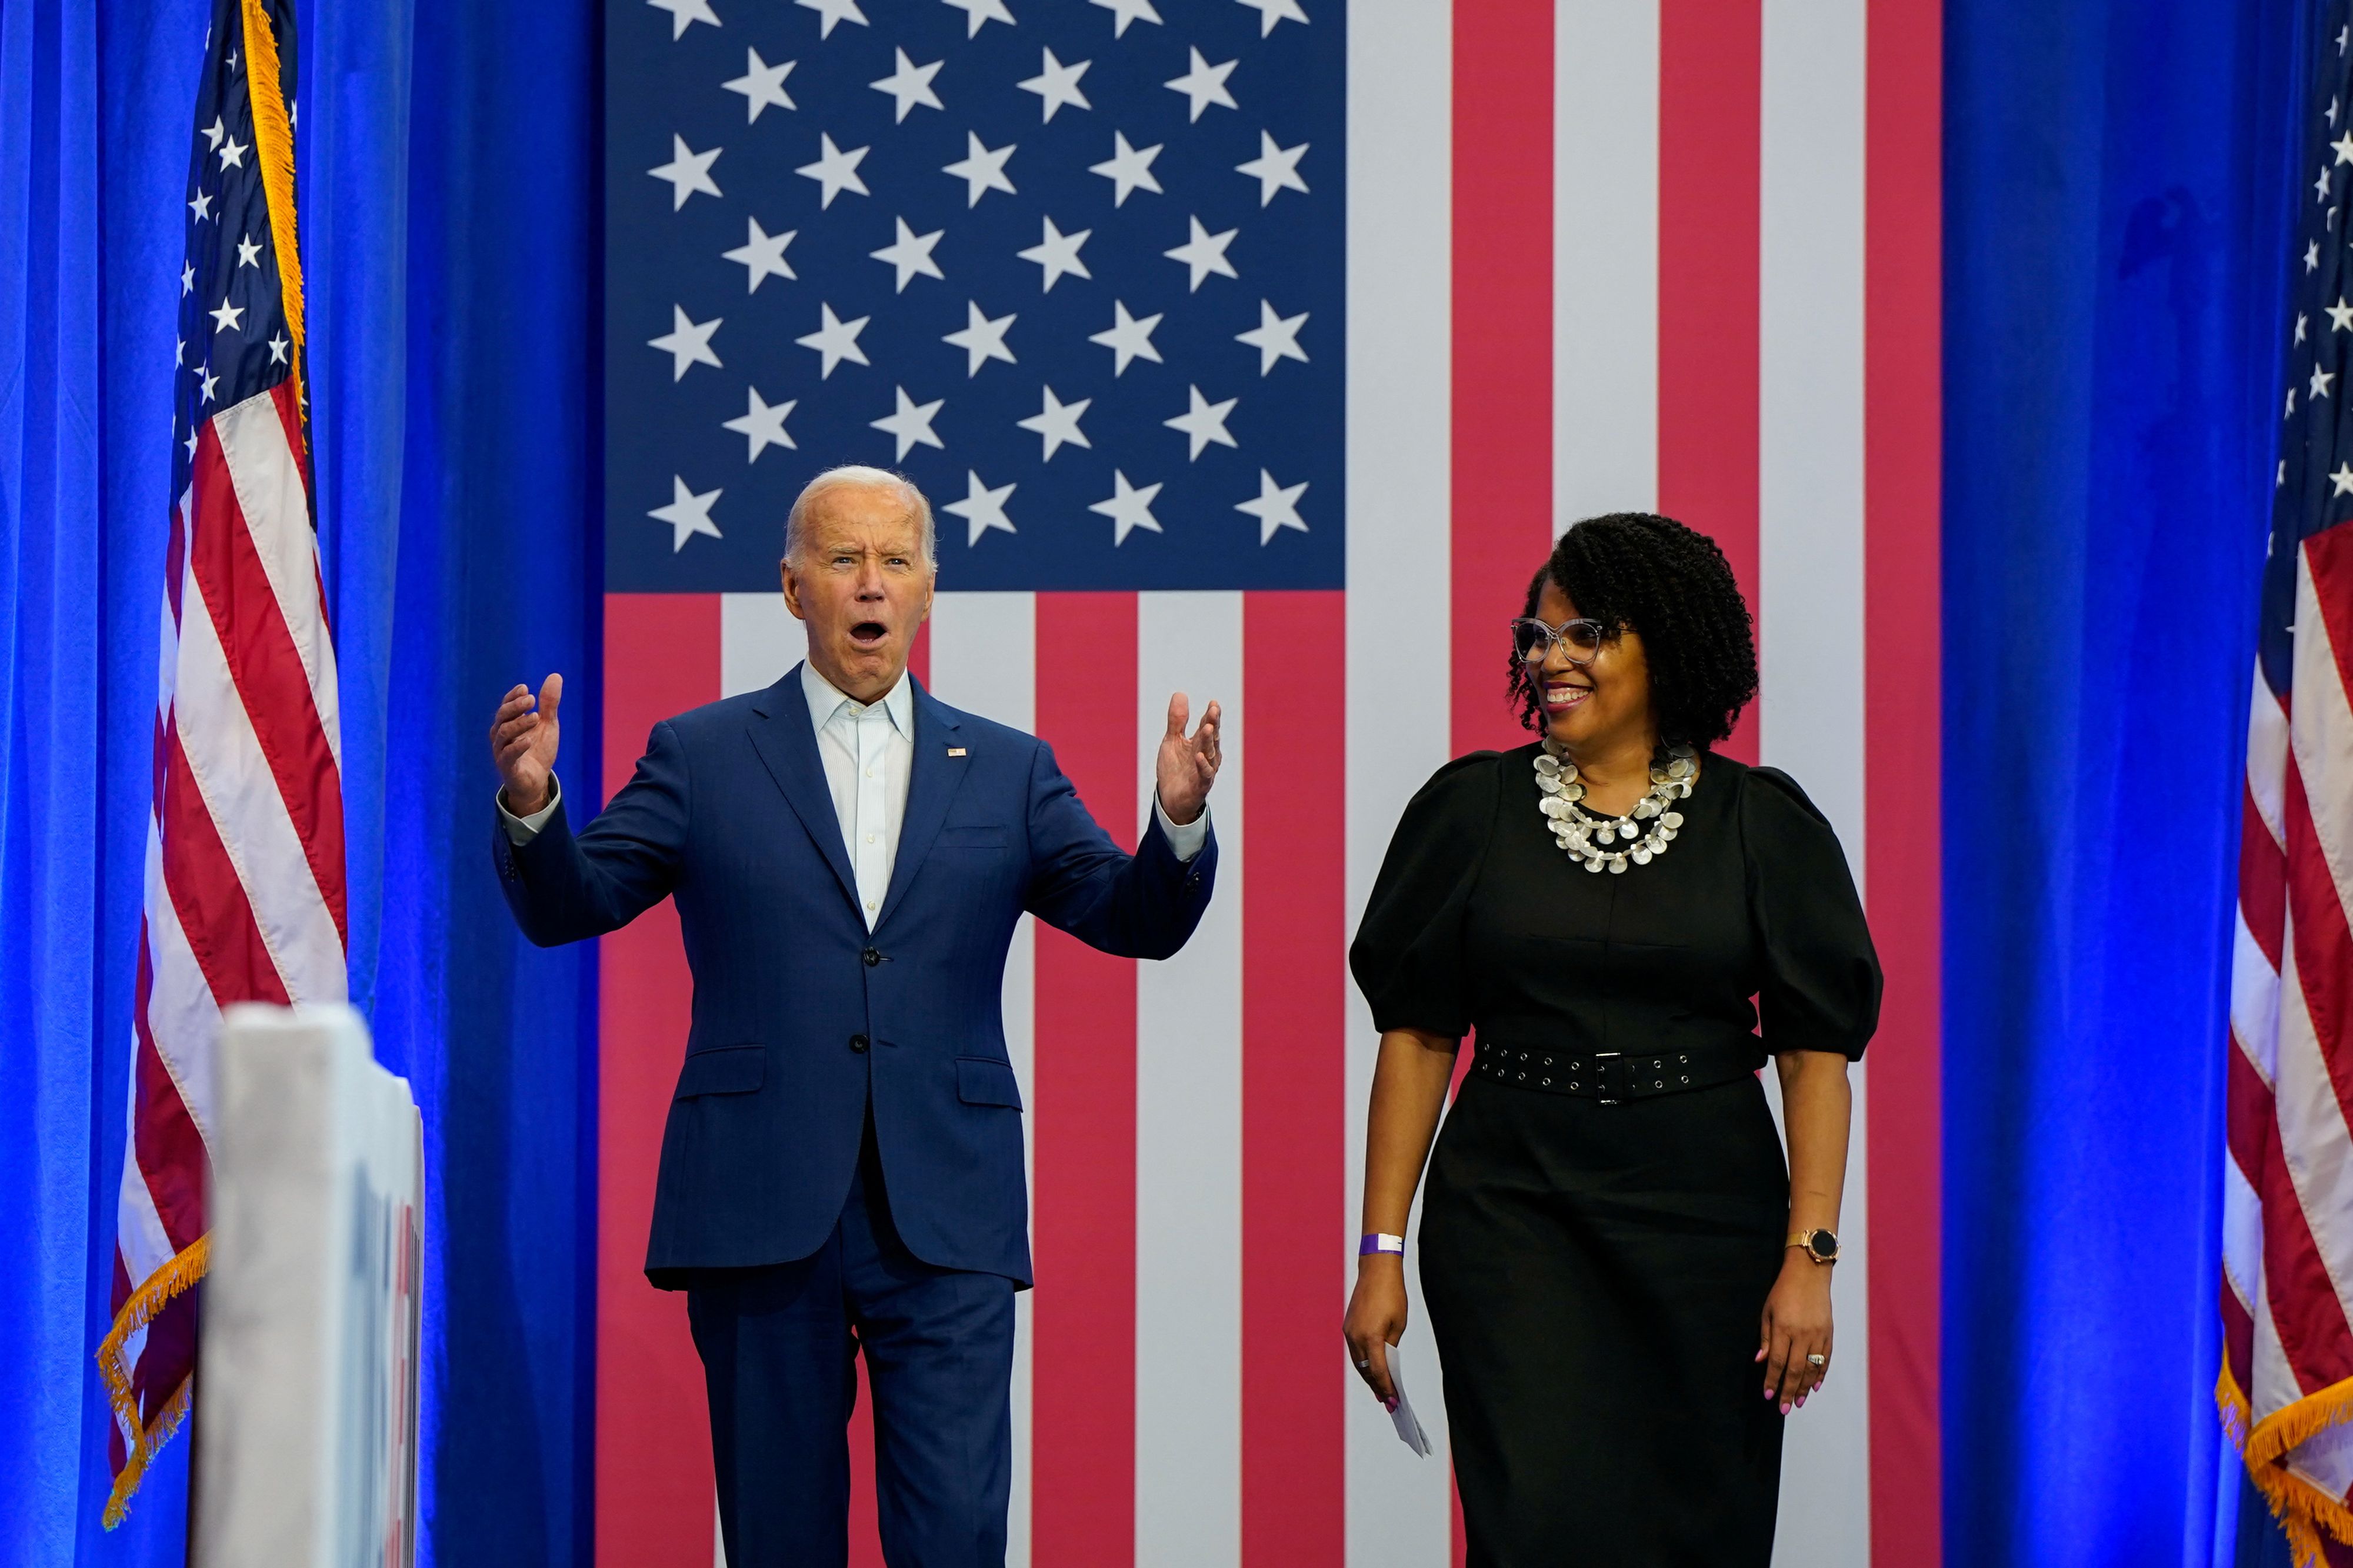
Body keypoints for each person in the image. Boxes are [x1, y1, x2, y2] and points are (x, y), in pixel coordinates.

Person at [486, 466, 1222, 1568]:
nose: (869, 584)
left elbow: (1133, 918)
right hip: (759, 1201)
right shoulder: (702, 752)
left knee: (958, 1538)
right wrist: (536, 806)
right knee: (782, 1541)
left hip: (949, 1210)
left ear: (930, 588)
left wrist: (1176, 821)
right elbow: (574, 904)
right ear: (792, 589)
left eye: (893, 561)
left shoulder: (1012, 770)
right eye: (842, 560)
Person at [1341, 512, 1881, 1567]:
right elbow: (1415, 1040)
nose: (1551, 658)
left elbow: (1817, 1057)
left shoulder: (1760, 823)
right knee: (1533, 1529)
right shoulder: (1472, 809)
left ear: (1668, 641)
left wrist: (1809, 1259)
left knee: (1700, 1534)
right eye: (1536, 636)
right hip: (1512, 1225)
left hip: (1707, 1230)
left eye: (1585, 631)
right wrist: (1381, 1251)